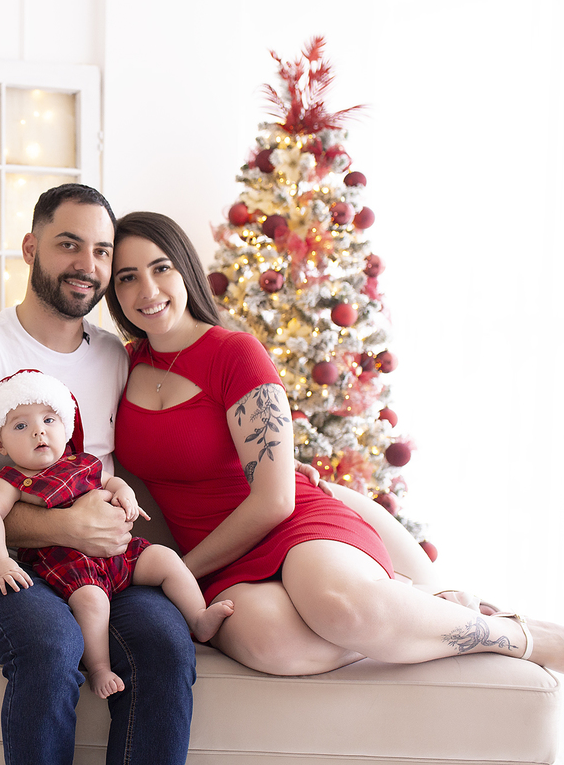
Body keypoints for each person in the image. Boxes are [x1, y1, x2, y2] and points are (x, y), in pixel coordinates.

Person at [106, 210, 564, 676]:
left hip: (288, 524)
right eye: (127, 277)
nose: (147, 290)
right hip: (219, 559)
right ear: (114, 292)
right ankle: (406, 610)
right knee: (277, 646)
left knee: (339, 608)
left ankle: (517, 634)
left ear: (185, 268)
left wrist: (182, 572)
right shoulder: (120, 367)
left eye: (161, 267)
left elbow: (275, 499)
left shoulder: (234, 353)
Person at [0, 184, 196, 765]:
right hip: (7, 570)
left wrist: (266, 457)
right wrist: (67, 527)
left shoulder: (116, 355)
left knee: (166, 648)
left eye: (101, 251)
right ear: (30, 247)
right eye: (69, 245)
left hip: (108, 564)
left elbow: (176, 423)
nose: (87, 265)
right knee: (53, 646)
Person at [0, 368, 235, 698]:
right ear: (0, 442)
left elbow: (110, 482)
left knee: (166, 559)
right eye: (21, 426)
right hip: (69, 564)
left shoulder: (81, 462)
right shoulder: (11, 480)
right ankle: (99, 667)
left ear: (66, 427)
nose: (38, 433)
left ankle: (198, 618)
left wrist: (125, 494)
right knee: (92, 601)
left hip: (120, 553)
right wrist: (1, 562)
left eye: (49, 421)